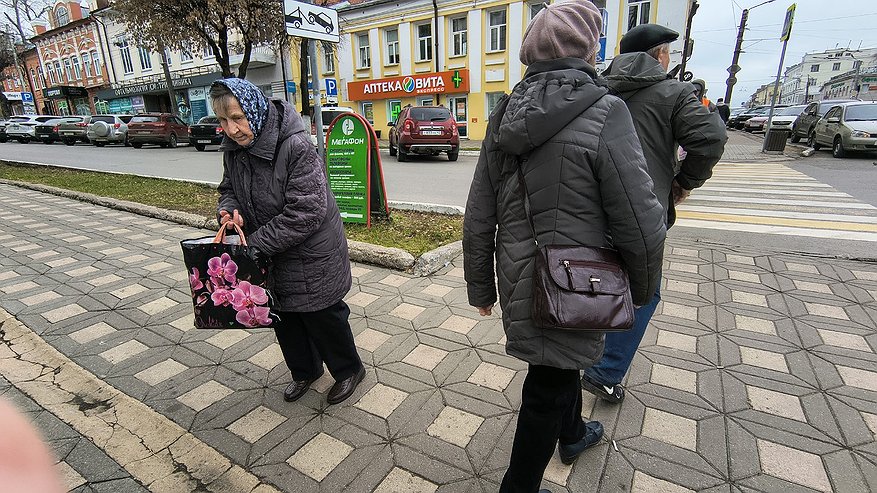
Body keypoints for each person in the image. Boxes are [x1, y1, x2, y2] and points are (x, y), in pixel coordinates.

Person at [463, 2, 666, 492]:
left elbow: (479, 210)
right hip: (578, 279)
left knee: (556, 362)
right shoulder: (605, 111)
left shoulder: (505, 110)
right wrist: (640, 290)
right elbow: (641, 222)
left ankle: (572, 434)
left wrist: (481, 285)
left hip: (518, 273)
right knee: (546, 386)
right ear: (590, 46)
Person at [580, 23, 727, 403]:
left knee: (591, 283)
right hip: (643, 215)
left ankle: (577, 358)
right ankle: (606, 372)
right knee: (644, 292)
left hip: (592, 211)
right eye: (668, 54)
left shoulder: (594, 88)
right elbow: (710, 139)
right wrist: (684, 181)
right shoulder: (675, 93)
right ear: (659, 55)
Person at [211, 78, 366, 406]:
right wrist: (229, 213)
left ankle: (349, 370)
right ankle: (305, 371)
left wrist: (252, 243)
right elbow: (228, 189)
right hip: (270, 253)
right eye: (223, 121)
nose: (232, 129)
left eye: (237, 118)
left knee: (323, 316)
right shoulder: (234, 151)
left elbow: (306, 213)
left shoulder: (295, 146)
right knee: (285, 318)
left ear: (253, 110)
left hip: (312, 254)